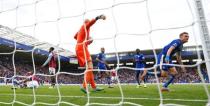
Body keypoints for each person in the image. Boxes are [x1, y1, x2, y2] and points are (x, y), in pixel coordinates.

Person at [74, 15, 106, 93]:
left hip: (79, 47)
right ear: (86, 22)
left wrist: (86, 40)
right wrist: (98, 17)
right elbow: (90, 23)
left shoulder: (81, 29)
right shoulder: (85, 26)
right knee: (90, 66)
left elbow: (75, 36)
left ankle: (94, 87)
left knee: (89, 68)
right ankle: (84, 86)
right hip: (82, 48)